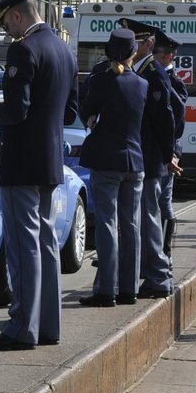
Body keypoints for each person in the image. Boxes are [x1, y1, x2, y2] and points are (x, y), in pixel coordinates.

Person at [0, 0, 77, 350]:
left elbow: (16, 111)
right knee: (47, 242)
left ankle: (22, 327)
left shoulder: (24, 49)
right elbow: (69, 113)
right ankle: (48, 325)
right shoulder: (64, 50)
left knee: (22, 245)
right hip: (51, 163)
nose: (6, 32)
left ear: (17, 15)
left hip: (20, 163)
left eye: (6, 23)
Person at [77, 28, 148, 308]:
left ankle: (107, 289)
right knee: (131, 226)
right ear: (133, 53)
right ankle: (129, 289)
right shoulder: (141, 84)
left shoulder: (102, 81)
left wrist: (93, 115)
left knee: (107, 225)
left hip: (106, 161)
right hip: (135, 161)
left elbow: (86, 109)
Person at [136, 24, 186, 298]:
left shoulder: (159, 76)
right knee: (152, 212)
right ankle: (155, 266)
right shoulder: (147, 71)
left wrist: (169, 152)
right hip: (154, 154)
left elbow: (173, 114)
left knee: (155, 212)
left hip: (158, 156)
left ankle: (160, 268)